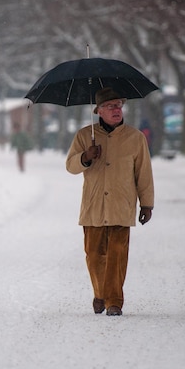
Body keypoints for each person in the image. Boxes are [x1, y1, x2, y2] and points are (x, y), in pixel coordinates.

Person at [66, 87, 154, 316]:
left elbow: (144, 173)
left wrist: (147, 204)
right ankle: (100, 293)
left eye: (118, 105)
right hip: (93, 206)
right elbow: (70, 166)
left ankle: (114, 302)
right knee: (94, 255)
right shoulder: (85, 136)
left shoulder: (135, 138)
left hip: (121, 206)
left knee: (116, 254)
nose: (116, 110)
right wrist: (85, 157)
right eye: (110, 106)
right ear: (99, 111)